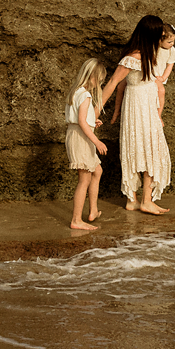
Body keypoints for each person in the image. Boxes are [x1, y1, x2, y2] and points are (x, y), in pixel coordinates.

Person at [100, 15, 172, 215]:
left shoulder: (149, 55)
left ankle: (133, 200)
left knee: (145, 148)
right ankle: (144, 200)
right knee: (146, 149)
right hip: (139, 107)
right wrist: (98, 110)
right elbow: (114, 83)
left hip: (145, 105)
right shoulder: (133, 58)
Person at [64, 58, 108, 230]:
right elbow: (82, 121)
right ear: (91, 77)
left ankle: (93, 210)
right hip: (81, 138)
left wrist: (93, 121)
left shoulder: (76, 91)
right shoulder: (86, 95)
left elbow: (80, 119)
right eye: (99, 80)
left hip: (78, 134)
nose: (99, 84)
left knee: (97, 170)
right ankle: (76, 220)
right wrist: (97, 141)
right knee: (84, 179)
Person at [155, 23, 175, 121]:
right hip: (151, 75)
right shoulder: (154, 48)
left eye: (173, 41)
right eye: (169, 42)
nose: (172, 44)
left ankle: (159, 114)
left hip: (159, 78)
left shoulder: (171, 50)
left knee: (161, 92)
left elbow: (170, 65)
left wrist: (164, 77)